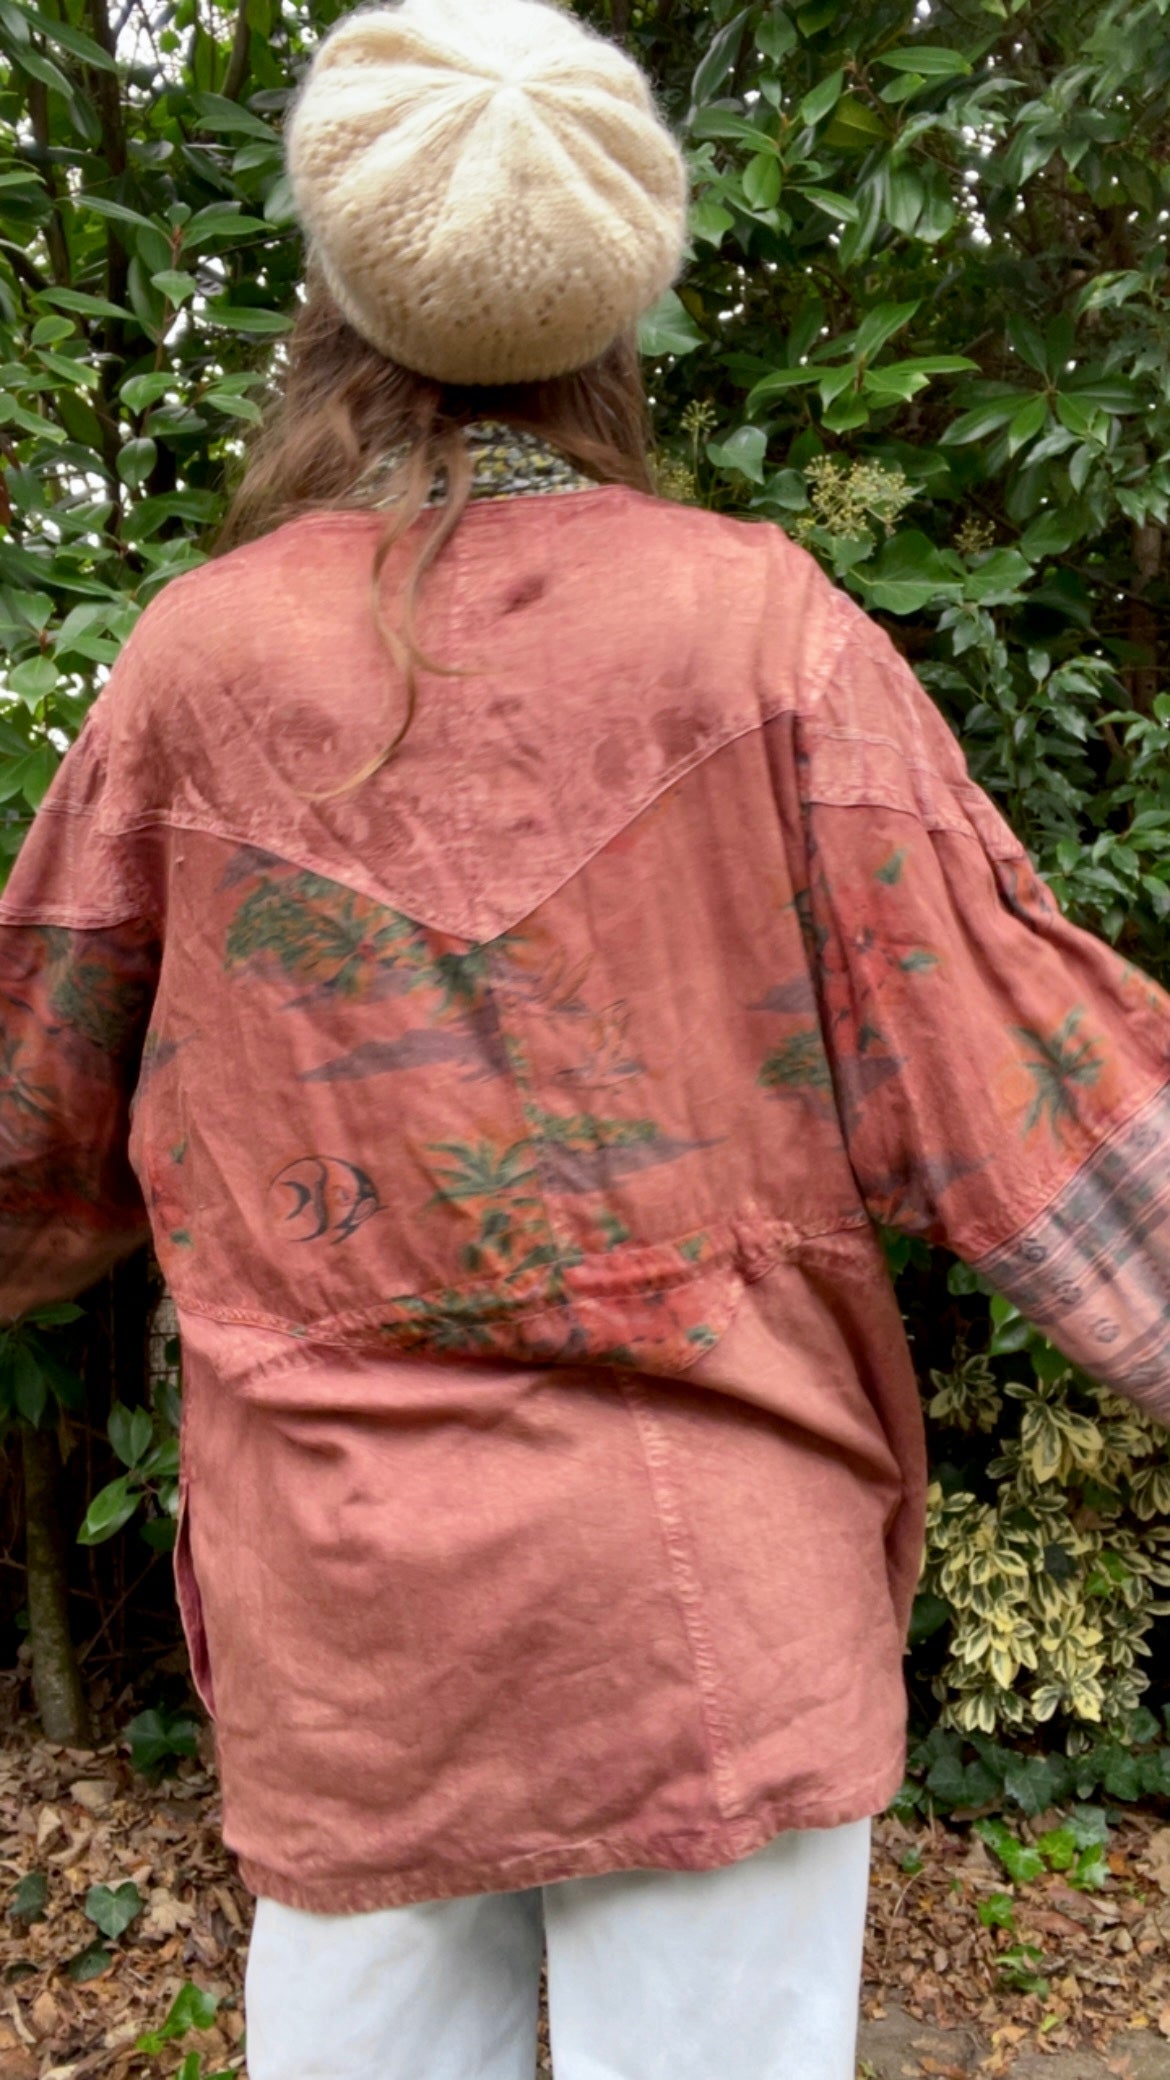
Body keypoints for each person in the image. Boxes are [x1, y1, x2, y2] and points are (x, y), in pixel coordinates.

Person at [2, 0, 1169, 2073]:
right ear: (618, 303)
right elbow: (1031, 1089)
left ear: (338, 292)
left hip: (355, 1616)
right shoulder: (765, 629)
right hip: (711, 1600)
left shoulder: (200, 666)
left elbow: (34, 1118)